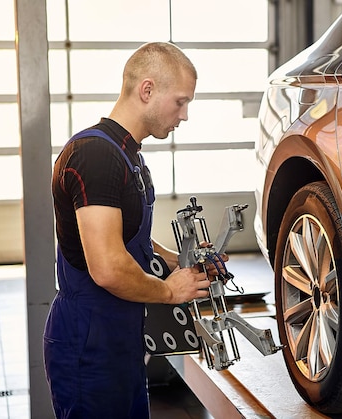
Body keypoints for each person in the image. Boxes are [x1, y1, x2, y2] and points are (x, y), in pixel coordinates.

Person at [43, 42, 213, 418]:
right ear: (147, 90)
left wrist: (174, 260)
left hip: (121, 337)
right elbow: (107, 267)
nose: (183, 116)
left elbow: (123, 234)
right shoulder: (94, 156)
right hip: (89, 340)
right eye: (180, 102)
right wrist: (170, 291)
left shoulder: (127, 154)